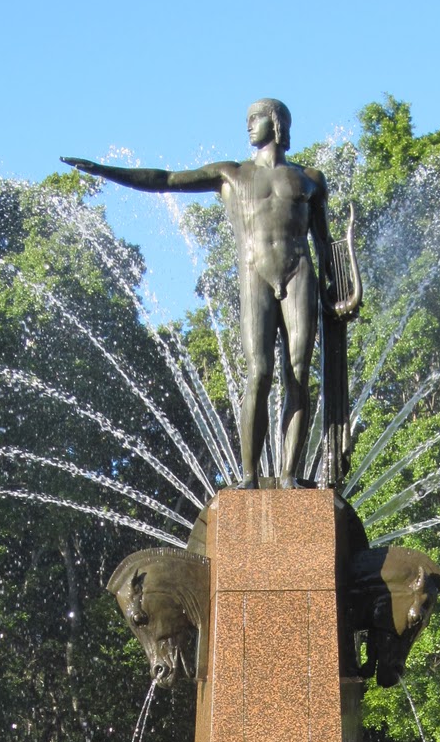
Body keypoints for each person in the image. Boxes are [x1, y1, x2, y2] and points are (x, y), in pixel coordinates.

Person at [64, 98, 331, 488]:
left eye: (254, 119)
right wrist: (106, 172)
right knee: (258, 372)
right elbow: (166, 179)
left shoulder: (309, 179)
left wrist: (339, 290)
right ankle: (250, 478)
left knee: (298, 373)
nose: (248, 126)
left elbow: (324, 245)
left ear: (275, 123)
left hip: (299, 272)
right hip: (254, 271)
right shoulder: (231, 175)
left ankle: (290, 476)